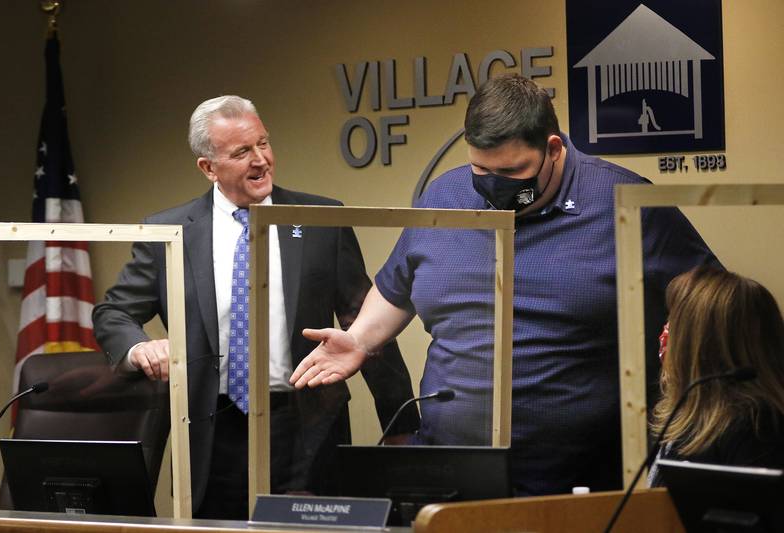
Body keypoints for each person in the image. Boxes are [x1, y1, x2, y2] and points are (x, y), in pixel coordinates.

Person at [290, 73, 721, 496]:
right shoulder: (445, 197)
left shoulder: (625, 201)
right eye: (481, 169)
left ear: (553, 149)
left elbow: (714, 305)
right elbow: (397, 286)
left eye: (513, 171)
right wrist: (360, 340)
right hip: (455, 473)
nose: (494, 186)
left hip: (582, 479)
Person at [92, 95, 417, 519]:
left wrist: (400, 424)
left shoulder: (321, 220)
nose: (261, 160)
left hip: (305, 427)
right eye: (242, 152)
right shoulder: (168, 232)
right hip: (213, 430)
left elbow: (364, 320)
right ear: (208, 167)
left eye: (263, 143)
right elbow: (113, 313)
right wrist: (140, 348)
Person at [648, 267, 784, 485]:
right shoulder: (684, 416)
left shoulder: (757, 428)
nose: (666, 332)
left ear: (703, 345)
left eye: (675, 321)